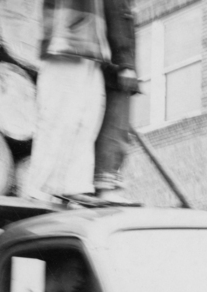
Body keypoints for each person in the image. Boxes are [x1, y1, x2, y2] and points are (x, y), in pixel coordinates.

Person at [22, 0, 112, 204]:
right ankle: (39, 190)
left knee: (86, 121)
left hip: (91, 47)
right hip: (65, 41)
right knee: (58, 117)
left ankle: (75, 186)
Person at [95, 0, 140, 204]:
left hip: (109, 65)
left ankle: (107, 183)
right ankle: (106, 186)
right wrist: (126, 64)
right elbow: (118, 20)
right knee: (115, 128)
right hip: (115, 69)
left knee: (116, 129)